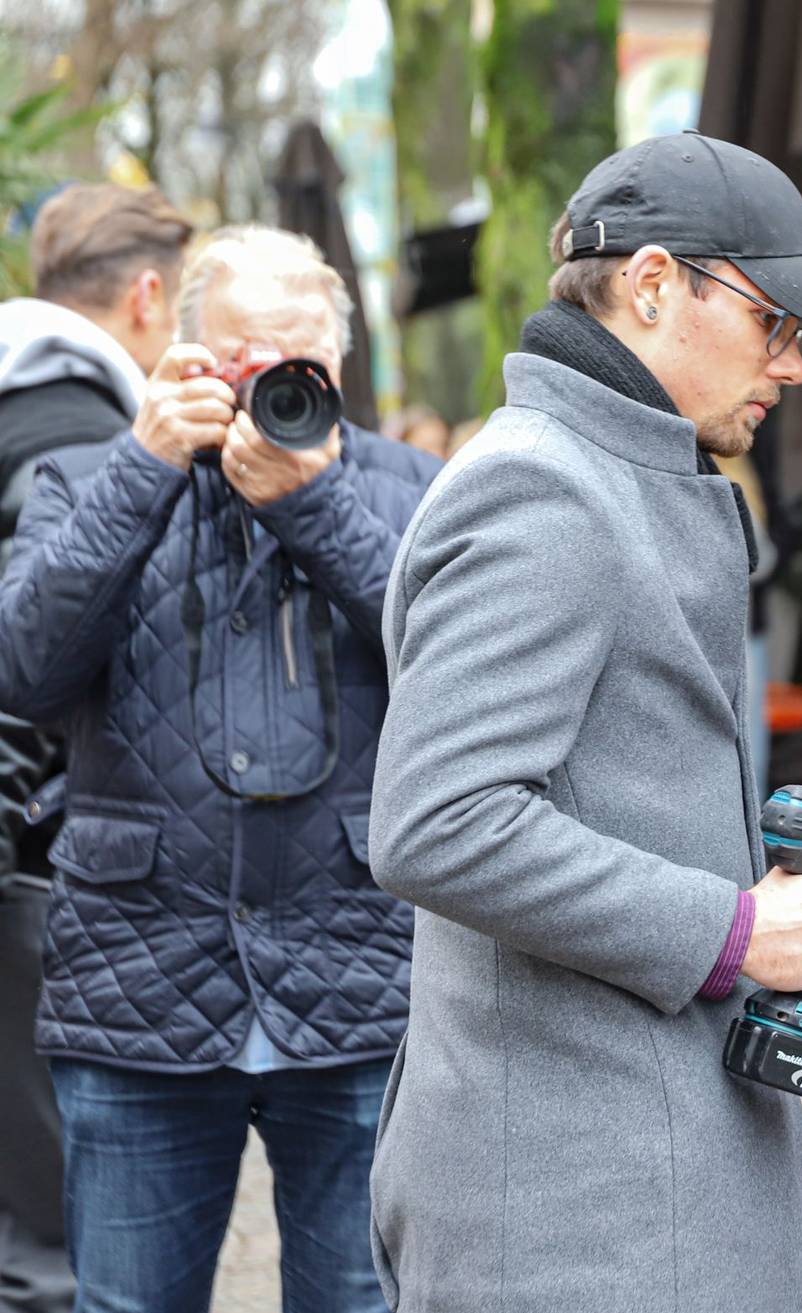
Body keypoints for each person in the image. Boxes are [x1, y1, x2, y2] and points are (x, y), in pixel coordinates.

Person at [368, 132, 802, 1312]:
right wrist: (735, 931)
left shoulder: (617, 472)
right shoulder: (543, 488)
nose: (793, 363)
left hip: (637, 1185)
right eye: (773, 320)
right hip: (581, 1218)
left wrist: (760, 958)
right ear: (653, 284)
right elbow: (437, 822)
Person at [0, 224, 440, 1313]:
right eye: (245, 359)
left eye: (301, 362)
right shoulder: (88, 478)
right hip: (137, 978)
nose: (272, 384)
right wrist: (142, 469)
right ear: (185, 353)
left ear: (337, 365)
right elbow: (24, 673)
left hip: (361, 977)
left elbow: (458, 674)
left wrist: (314, 505)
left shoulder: (412, 489)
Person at [0, 182, 191, 1313]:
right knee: (49, 1241)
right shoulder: (75, 431)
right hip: (25, 868)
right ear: (148, 294)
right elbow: (26, 659)